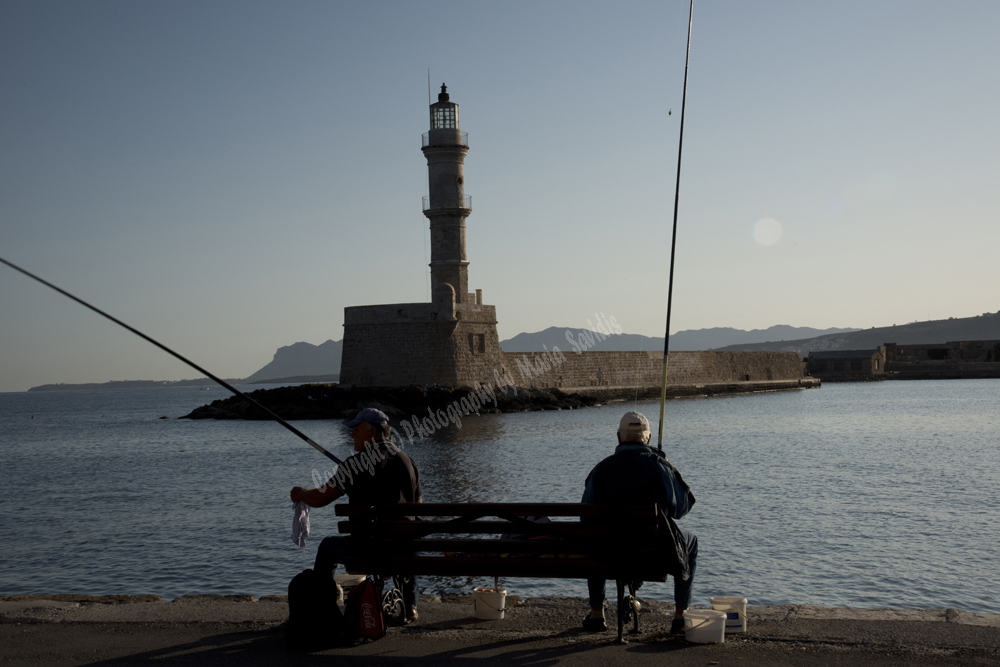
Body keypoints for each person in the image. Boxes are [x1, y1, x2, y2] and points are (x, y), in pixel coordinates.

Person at [290, 408, 423, 622]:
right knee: (407, 537)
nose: (352, 434)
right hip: (402, 551)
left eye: (356, 429)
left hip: (367, 550)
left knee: (326, 548)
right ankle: (410, 605)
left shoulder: (354, 466)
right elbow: (417, 511)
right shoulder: (408, 462)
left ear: (372, 434)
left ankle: (323, 610)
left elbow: (319, 499)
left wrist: (300, 493)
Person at [580, 411, 697, 634]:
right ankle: (681, 616)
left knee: (593, 538)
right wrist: (666, 465)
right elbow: (682, 509)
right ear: (649, 438)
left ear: (618, 437)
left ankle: (597, 614)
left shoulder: (600, 470)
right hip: (654, 553)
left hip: (610, 553)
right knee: (691, 542)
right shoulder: (661, 466)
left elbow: (586, 518)